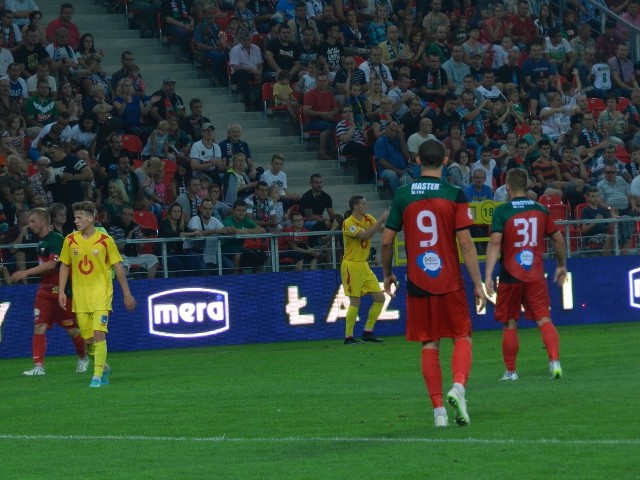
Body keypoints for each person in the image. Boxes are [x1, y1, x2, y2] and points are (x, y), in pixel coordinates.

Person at [380, 139, 486, 428]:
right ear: (446, 160)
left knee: (430, 343)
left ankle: (438, 412)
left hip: (418, 282)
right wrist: (478, 284)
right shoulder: (454, 193)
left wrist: (387, 273)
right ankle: (459, 387)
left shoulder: (403, 194)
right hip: (449, 280)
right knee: (462, 335)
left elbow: (387, 240)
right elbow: (465, 243)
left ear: (416, 161)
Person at [484, 168, 566, 382]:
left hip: (511, 275)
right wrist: (561, 265)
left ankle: (511, 372)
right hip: (536, 274)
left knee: (510, 322)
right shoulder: (541, 209)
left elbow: (494, 243)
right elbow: (558, 240)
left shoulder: (502, 211)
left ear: (507, 187)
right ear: (527, 185)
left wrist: (488, 274)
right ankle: (554, 361)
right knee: (544, 318)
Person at [58, 201, 137, 388]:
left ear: (91, 218)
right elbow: (64, 265)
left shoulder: (104, 240)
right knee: (87, 340)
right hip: (80, 297)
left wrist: (126, 293)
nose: (75, 221)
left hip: (101, 294)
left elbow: (118, 266)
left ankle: (97, 376)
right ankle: (103, 366)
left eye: (79, 217)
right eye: (75, 217)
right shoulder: (70, 240)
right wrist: (61, 291)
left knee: (99, 334)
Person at [10, 207, 88, 376]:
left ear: (43, 221)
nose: (30, 225)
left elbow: (52, 264)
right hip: (44, 292)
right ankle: (38, 367)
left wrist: (25, 272)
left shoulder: (57, 239)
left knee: (71, 329)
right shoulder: (41, 241)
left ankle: (83, 357)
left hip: (61, 292)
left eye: (33, 221)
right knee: (39, 326)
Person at [341, 196, 388, 344]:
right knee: (355, 301)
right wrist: (381, 220)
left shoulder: (368, 218)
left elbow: (380, 230)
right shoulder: (348, 223)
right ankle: (348, 336)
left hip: (364, 264)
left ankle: (368, 331)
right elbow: (365, 235)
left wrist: (395, 224)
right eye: (363, 204)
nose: (366, 206)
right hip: (351, 265)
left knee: (380, 298)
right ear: (355, 207)